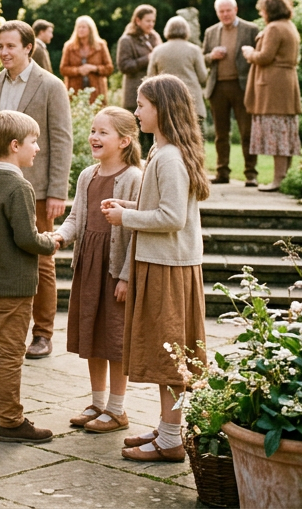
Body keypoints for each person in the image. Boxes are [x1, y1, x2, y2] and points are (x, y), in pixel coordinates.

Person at [101, 74, 208, 463]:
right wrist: (128, 207)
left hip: (168, 268)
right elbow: (162, 209)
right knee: (166, 356)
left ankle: (170, 441)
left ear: (161, 109)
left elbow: (173, 217)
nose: (136, 112)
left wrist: (125, 221)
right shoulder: (162, 152)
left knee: (170, 359)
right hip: (160, 263)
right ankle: (167, 430)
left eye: (141, 106)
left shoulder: (170, 157)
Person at [0, 21, 72, 359]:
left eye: (10, 46)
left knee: (42, 260)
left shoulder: (50, 86)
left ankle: (43, 334)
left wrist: (56, 191)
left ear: (28, 48)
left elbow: (61, 139)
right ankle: (5, 329)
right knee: (2, 255)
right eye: (0, 46)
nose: (4, 52)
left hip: (36, 188)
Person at [53, 106, 142, 434]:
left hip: (114, 267)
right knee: (92, 333)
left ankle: (117, 410)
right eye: (93, 130)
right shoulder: (87, 175)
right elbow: (76, 216)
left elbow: (138, 232)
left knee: (114, 336)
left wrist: (125, 276)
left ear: (124, 141)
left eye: (103, 132)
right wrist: (60, 235)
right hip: (89, 264)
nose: (94, 136)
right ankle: (97, 401)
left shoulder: (133, 178)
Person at [0, 110, 60, 444]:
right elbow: (26, 238)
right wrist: (49, 242)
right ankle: (12, 421)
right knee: (10, 354)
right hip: (13, 286)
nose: (36, 148)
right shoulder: (18, 186)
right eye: (32, 142)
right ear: (14, 145)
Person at [243, 0, 302, 192]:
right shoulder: (289, 26)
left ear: (270, 10)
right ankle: (283, 178)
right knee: (285, 131)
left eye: (263, 10)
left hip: (274, 87)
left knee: (277, 132)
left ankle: (278, 180)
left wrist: (250, 53)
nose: (261, 13)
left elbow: (265, 57)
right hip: (285, 85)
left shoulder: (275, 28)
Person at [202, 0, 260, 186]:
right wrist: (212, 55)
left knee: (247, 132)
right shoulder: (211, 31)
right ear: (217, 13)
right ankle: (222, 172)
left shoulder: (251, 29)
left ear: (235, 10)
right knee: (221, 133)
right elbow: (202, 58)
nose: (225, 14)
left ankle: (251, 174)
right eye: (221, 11)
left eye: (228, 10)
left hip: (243, 86)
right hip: (218, 86)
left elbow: (258, 57)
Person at [148, 17, 207, 122]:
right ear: (186, 30)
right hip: (191, 99)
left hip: (166, 98)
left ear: (167, 30)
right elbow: (203, 77)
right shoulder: (194, 50)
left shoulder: (157, 51)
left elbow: (150, 76)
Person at [117, 5, 162, 115]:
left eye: (153, 21)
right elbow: (123, 66)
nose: (151, 24)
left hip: (154, 93)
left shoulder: (155, 37)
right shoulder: (126, 40)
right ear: (138, 20)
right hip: (134, 95)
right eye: (148, 21)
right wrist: (147, 59)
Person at [59, 15, 114, 104]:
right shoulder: (69, 46)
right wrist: (78, 70)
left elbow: (109, 68)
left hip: (97, 92)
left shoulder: (100, 45)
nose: (80, 29)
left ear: (90, 29)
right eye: (79, 27)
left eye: (83, 27)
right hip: (75, 92)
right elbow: (63, 69)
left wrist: (94, 68)